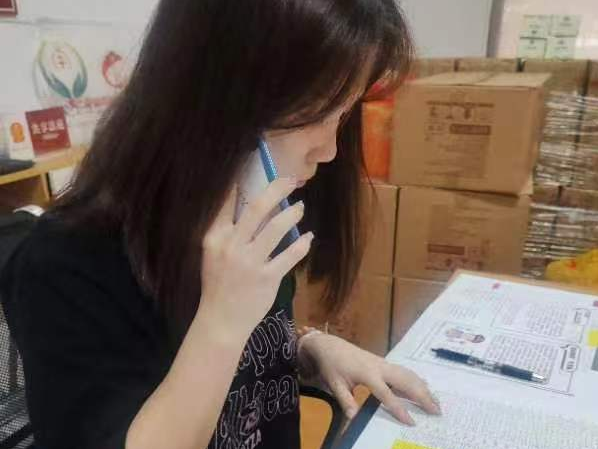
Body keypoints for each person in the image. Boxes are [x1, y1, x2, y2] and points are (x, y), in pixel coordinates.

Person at [0, 1, 441, 448]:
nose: (329, 150)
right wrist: (221, 321)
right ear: (211, 99)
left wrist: (308, 350)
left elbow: (252, 354)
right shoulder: (65, 265)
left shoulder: (248, 211)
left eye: (342, 113)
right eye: (314, 109)